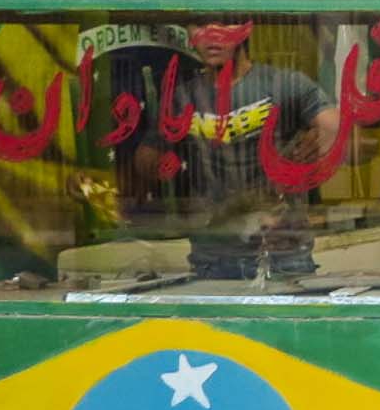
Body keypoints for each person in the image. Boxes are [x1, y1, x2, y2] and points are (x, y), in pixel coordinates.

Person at [136, 22, 341, 280]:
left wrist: (321, 139)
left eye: (224, 22)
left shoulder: (284, 84)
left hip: (282, 255)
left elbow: (341, 133)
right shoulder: (181, 97)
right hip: (212, 257)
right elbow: (147, 158)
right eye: (200, 24)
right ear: (188, 34)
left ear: (246, 29)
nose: (212, 34)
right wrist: (158, 163)